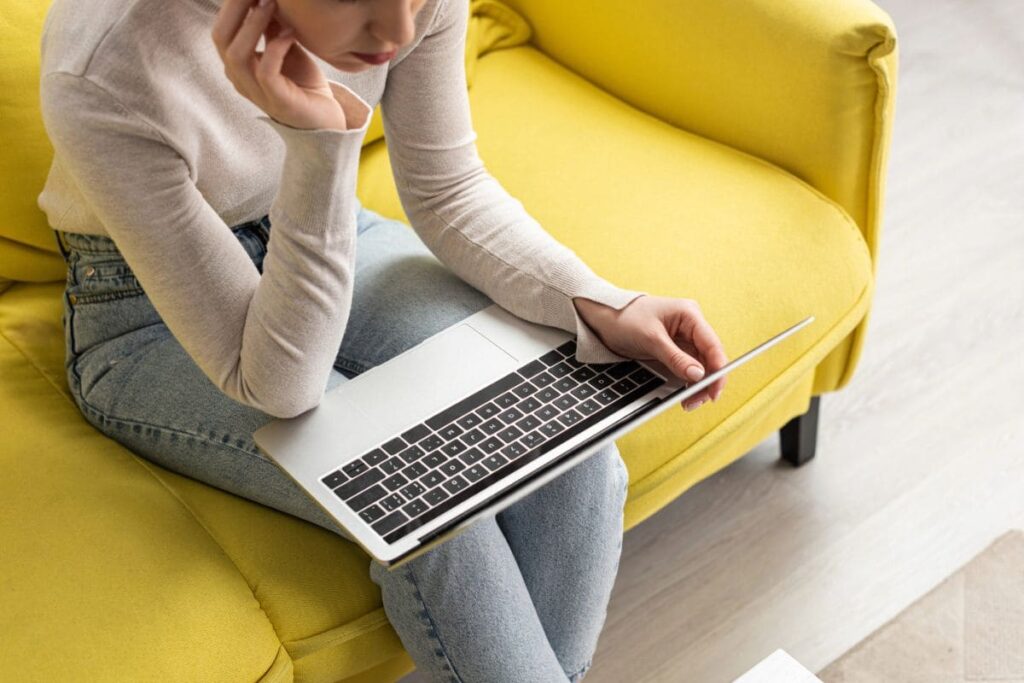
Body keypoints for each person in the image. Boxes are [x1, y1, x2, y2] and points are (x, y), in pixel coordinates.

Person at [37, 0, 729, 679]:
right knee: (432, 519)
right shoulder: (100, 62)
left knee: (573, 450)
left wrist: (602, 301)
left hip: (327, 229)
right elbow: (279, 384)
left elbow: (448, 188)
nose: (399, 28)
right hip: (144, 314)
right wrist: (314, 146)